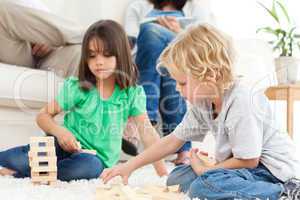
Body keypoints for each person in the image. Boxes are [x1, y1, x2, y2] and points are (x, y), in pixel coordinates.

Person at [101, 24, 300, 200]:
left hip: (271, 171)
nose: (177, 89)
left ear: (210, 75)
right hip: (245, 167)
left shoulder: (242, 100)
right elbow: (172, 141)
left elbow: (249, 160)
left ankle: (283, 191)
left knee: (204, 186)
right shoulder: (203, 103)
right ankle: (216, 176)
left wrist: (208, 170)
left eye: (182, 83)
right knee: (176, 178)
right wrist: (130, 166)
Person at [0, 20, 167, 181]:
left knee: (86, 168)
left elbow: (148, 133)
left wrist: (163, 175)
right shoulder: (78, 87)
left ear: (121, 55)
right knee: (19, 157)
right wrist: (60, 132)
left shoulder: (132, 93)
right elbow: (43, 116)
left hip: (95, 159)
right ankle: (32, 167)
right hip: (60, 146)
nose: (99, 62)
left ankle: (28, 172)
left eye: (107, 55)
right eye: (92, 56)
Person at [124, 0, 213, 165]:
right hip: (150, 61)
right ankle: (183, 149)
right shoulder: (138, 6)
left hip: (183, 53)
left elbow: (207, 44)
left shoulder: (196, 8)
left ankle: (142, 119)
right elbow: (127, 44)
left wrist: (178, 32)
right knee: (163, 56)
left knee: (162, 44)